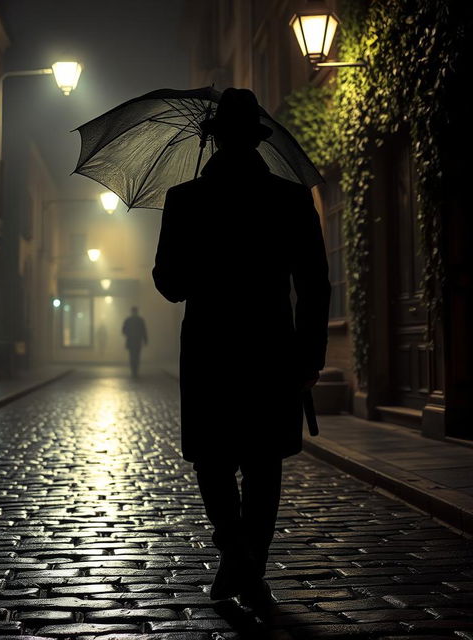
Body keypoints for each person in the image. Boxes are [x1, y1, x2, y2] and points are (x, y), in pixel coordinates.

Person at [152, 88, 330, 615]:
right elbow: (316, 285)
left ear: (212, 139)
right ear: (256, 139)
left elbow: (169, 283)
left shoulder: (185, 200)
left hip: (209, 347)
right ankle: (249, 562)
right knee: (262, 461)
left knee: (212, 456)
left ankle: (235, 553)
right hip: (272, 345)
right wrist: (311, 357)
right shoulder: (291, 198)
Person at [122, 306, 148, 377]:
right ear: (137, 312)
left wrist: (128, 334)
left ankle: (133, 371)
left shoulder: (128, 320)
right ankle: (136, 371)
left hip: (130, 341)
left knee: (131, 356)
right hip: (138, 341)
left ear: (131, 312)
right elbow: (144, 331)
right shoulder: (140, 320)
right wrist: (145, 340)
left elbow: (123, 331)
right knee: (137, 356)